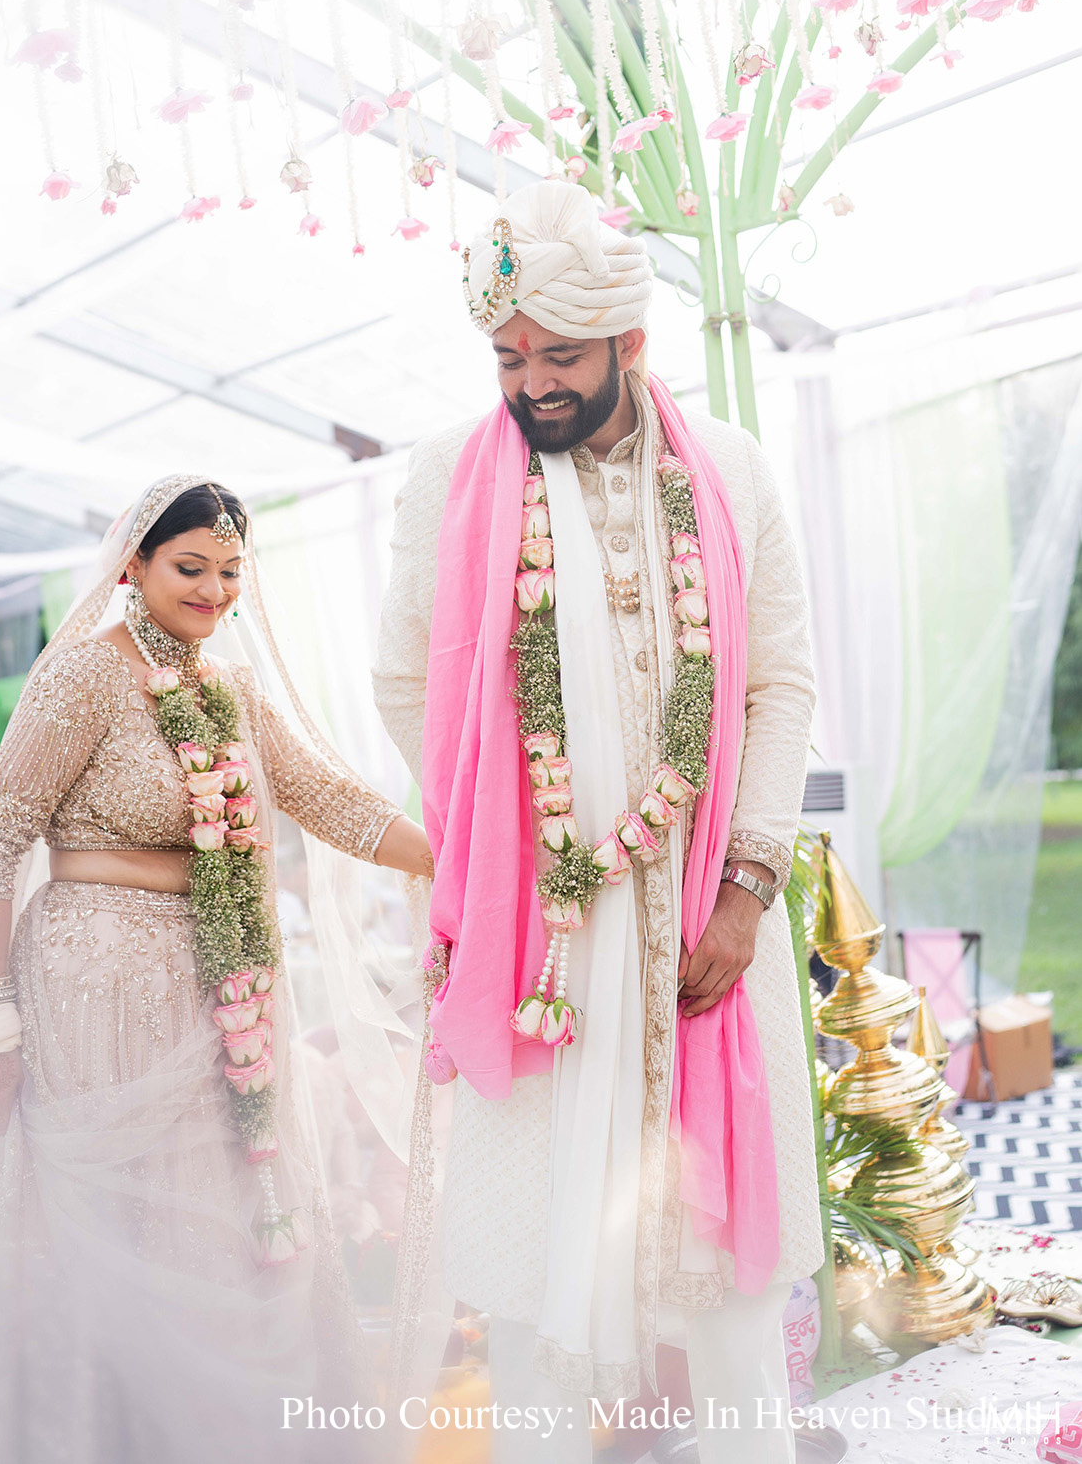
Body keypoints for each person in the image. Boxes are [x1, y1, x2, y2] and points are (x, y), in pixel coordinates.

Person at [374, 182, 821, 1463]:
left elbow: (779, 677)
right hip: (546, 941)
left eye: (557, 355)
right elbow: (404, 676)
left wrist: (743, 884)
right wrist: (505, 832)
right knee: (534, 1288)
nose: (530, 384)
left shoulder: (727, 468)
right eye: (508, 358)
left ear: (630, 342)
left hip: (702, 931)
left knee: (728, 1280)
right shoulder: (440, 482)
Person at [0, 474, 431, 1464]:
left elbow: (326, 794)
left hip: (219, 979)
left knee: (229, 1220)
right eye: (189, 566)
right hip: (92, 993)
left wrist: (451, 861)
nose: (212, 588)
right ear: (133, 565)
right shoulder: (80, 676)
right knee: (117, 1226)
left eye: (230, 570)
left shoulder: (228, 686)